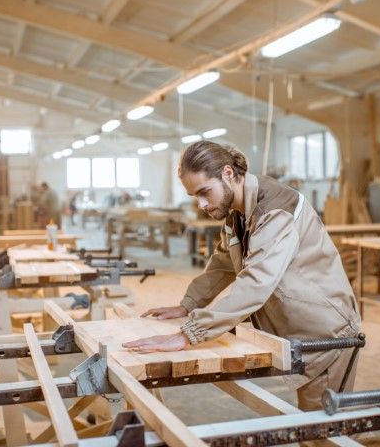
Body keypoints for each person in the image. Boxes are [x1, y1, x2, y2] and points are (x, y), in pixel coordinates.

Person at [123, 140, 361, 411]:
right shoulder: (237, 210)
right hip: (296, 324)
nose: (201, 204)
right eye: (194, 197)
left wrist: (190, 333)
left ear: (227, 173)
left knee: (325, 430)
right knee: (317, 424)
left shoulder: (275, 210)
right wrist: (188, 304)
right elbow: (223, 262)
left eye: (204, 192)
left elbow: (255, 284)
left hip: (325, 329)